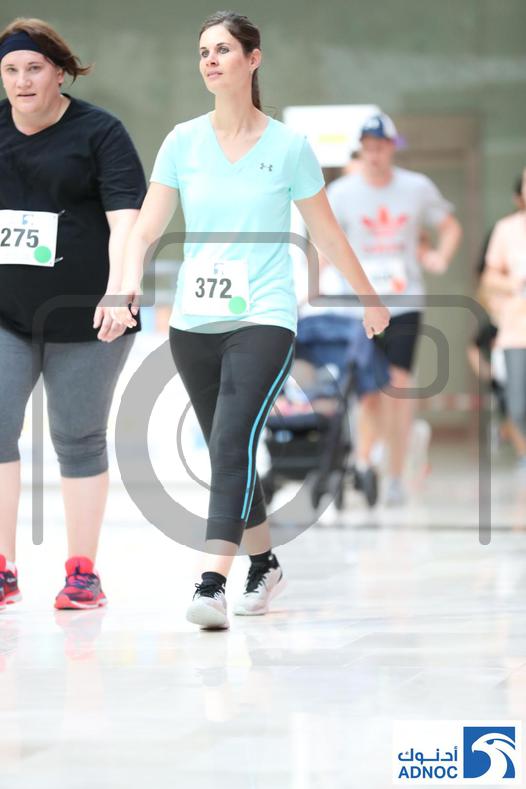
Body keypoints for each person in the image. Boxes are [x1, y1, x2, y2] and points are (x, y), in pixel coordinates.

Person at [110, 11, 389, 630]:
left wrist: (370, 299)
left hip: (264, 315)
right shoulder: (182, 141)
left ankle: (212, 582)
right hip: (193, 323)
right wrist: (123, 285)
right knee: (225, 449)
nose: (210, 61)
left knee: (232, 440)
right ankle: (265, 563)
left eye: (223, 50)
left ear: (253, 59)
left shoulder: (289, 147)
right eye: (203, 52)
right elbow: (147, 228)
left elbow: (328, 235)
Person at [0, 18, 146, 611]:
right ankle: (3, 567)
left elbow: (126, 221)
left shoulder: (99, 132)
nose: (22, 81)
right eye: (11, 70)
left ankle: (83, 573)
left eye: (34, 68)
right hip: (7, 314)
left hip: (89, 317)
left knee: (78, 438)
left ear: (59, 72)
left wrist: (120, 289)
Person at [326, 112, 462, 505]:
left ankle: (397, 475)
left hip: (404, 302)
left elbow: (449, 226)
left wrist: (439, 256)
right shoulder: (342, 193)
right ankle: (365, 463)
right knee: (368, 392)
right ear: (361, 150)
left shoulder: (416, 187)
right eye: (367, 148)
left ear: (391, 148)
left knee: (398, 386)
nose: (374, 155)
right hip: (360, 305)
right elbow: (326, 240)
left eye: (380, 148)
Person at [482, 167, 526, 471]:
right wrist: (515, 283)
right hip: (516, 330)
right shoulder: (506, 230)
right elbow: (489, 278)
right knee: (518, 406)